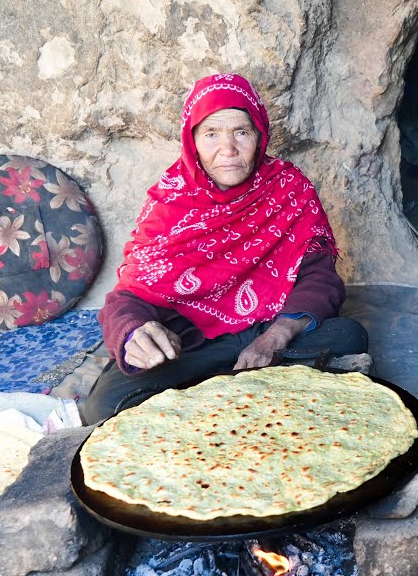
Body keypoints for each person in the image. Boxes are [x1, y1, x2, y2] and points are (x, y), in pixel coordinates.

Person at [79, 73, 366, 424]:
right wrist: (133, 331)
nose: (228, 149)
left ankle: (216, 391)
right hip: (192, 343)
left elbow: (320, 278)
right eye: (211, 133)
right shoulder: (170, 204)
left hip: (268, 328)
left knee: (350, 335)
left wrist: (275, 338)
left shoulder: (290, 189)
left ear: (259, 135)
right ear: (192, 141)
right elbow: (128, 298)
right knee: (103, 406)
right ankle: (249, 387)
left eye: (241, 132)